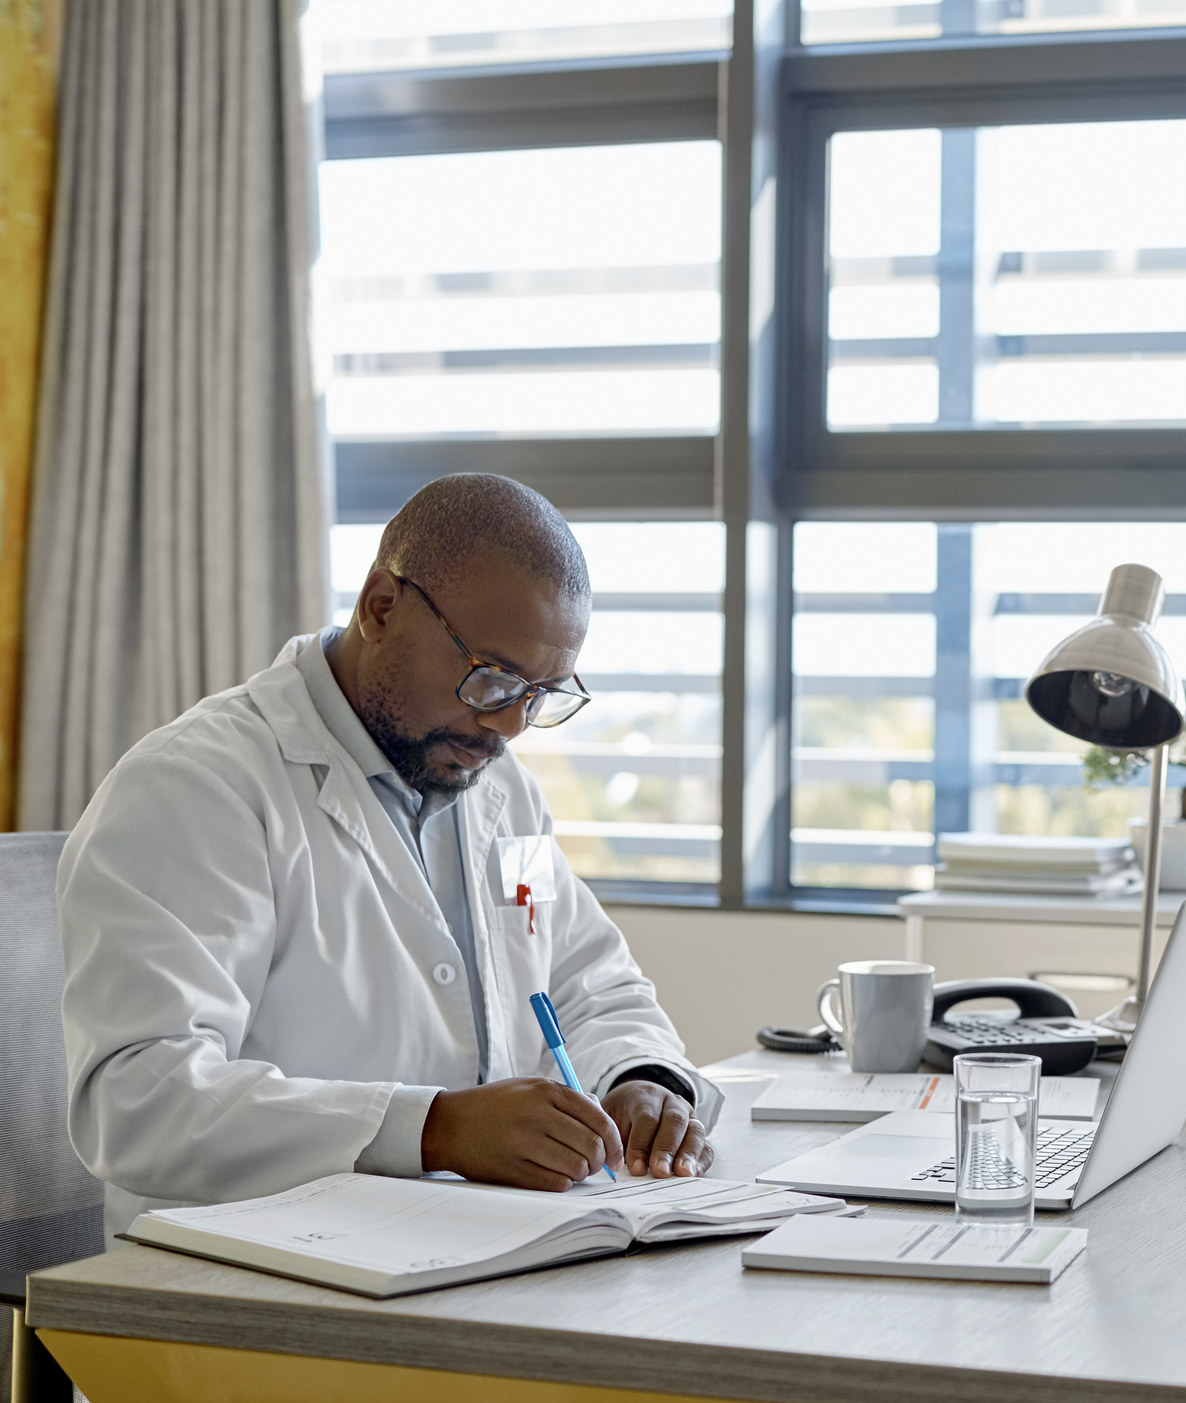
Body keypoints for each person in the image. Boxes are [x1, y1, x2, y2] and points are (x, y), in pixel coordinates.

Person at [59, 474, 719, 1238]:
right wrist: (430, 1129)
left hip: (464, 1246)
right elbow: (138, 1100)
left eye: (541, 694)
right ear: (381, 606)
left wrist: (642, 1079)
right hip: (249, 1278)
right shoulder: (198, 786)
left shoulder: (498, 790)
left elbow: (589, 984)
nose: (508, 725)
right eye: (492, 678)